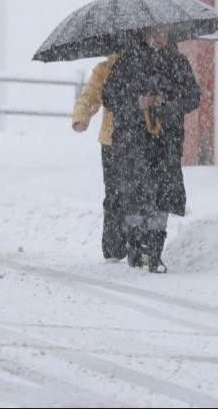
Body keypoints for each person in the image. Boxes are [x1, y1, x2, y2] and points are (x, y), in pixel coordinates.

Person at [101, 25, 200, 273]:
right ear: (144, 34)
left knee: (162, 198)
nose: (159, 38)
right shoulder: (127, 63)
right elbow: (109, 96)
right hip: (133, 143)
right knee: (135, 196)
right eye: (154, 33)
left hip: (166, 143)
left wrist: (164, 101)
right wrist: (136, 102)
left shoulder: (177, 62)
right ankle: (136, 248)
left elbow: (192, 97)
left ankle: (155, 252)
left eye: (164, 33)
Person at [71, 53, 127, 262]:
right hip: (111, 139)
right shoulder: (104, 69)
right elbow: (91, 96)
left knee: (134, 193)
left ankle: (134, 244)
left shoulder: (144, 64)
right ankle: (114, 247)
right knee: (114, 194)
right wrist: (81, 117)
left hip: (138, 140)